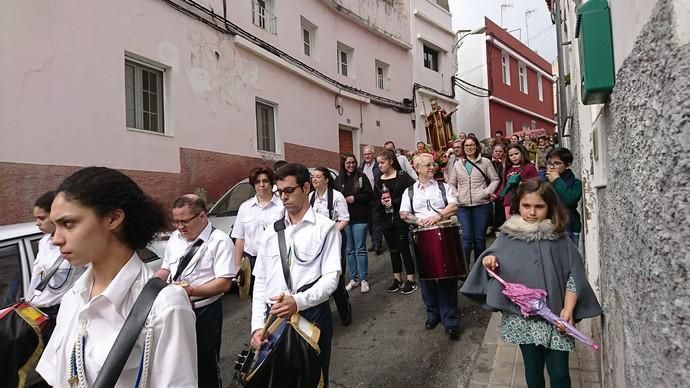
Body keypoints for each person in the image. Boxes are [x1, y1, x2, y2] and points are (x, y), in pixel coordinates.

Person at [36, 167, 197, 387]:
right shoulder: (73, 297)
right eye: (55, 226)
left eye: (68, 224)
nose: (56, 239)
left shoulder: (165, 305)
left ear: (113, 218)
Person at [461, 179, 602, 388]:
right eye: (527, 206)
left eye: (539, 206)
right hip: (523, 319)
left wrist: (568, 309)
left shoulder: (560, 238)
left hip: (557, 316)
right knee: (533, 370)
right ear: (518, 205)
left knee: (560, 373)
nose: (532, 212)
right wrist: (490, 262)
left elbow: (574, 275)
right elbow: (492, 262)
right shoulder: (508, 237)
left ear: (550, 207)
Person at [250, 163, 342, 384]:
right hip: (272, 317)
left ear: (306, 187)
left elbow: (331, 279)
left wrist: (298, 302)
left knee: (311, 379)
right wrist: (256, 326)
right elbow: (260, 280)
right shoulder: (272, 232)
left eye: (289, 191)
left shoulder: (325, 228)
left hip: (311, 315)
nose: (283, 197)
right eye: (279, 192)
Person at [155, 194, 234, 388]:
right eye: (176, 222)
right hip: (174, 310)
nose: (180, 227)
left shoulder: (220, 241)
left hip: (204, 311)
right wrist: (154, 282)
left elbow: (224, 283)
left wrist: (191, 290)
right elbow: (166, 268)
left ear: (202, 217)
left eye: (184, 221)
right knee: (176, 361)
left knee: (205, 362)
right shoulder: (175, 237)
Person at [400, 153, 461, 340]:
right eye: (427, 165)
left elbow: (454, 205)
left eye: (433, 164)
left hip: (443, 232)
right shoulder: (409, 191)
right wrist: (419, 220)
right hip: (420, 235)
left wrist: (437, 216)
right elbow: (403, 213)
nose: (432, 167)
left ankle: (450, 319)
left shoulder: (442, 187)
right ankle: (432, 314)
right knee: (426, 278)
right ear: (417, 168)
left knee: (447, 277)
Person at [27, 191, 87, 322]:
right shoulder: (43, 243)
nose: (37, 223)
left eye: (42, 218)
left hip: (60, 313)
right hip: (36, 311)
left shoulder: (78, 245)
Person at [447, 135, 500, 267]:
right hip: (463, 206)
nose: (469, 148)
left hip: (481, 205)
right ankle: (464, 270)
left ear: (476, 146)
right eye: (466, 146)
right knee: (466, 239)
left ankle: (478, 270)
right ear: (463, 148)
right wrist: (457, 194)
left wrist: (486, 192)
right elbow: (451, 183)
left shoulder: (485, 162)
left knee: (479, 240)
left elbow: (495, 179)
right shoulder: (458, 164)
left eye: (471, 145)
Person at [309, 166, 352, 326]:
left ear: (326, 179)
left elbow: (344, 219)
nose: (314, 179)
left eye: (318, 177)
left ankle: (345, 311)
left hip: (335, 239)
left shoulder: (337, 196)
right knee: (318, 276)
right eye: (313, 177)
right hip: (317, 243)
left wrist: (331, 233)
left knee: (336, 277)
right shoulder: (311, 197)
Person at [231, 167, 284, 285]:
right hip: (252, 262)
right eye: (257, 182)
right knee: (256, 299)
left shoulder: (282, 205)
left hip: (278, 260)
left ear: (271, 183)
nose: (261, 185)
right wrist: (238, 266)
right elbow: (240, 238)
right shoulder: (245, 207)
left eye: (265, 181)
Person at [376, 150, 417, 294]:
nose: (379, 165)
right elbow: (375, 199)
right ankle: (397, 278)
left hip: (401, 218)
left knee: (404, 249)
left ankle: (411, 279)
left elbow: (412, 192)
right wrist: (381, 202)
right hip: (386, 219)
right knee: (393, 250)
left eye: (382, 162)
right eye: (378, 163)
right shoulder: (378, 179)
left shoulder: (402, 176)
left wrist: (394, 201)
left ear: (391, 162)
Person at [335, 154, 373, 294]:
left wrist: (355, 198)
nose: (351, 165)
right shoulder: (338, 179)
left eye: (353, 162)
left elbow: (370, 195)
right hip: (344, 220)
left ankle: (363, 279)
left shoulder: (362, 176)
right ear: (343, 164)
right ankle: (354, 279)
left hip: (360, 218)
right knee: (349, 250)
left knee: (360, 249)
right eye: (348, 163)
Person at [545, 148, 583, 246]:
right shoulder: (542, 182)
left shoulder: (576, 184)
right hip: (547, 227)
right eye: (549, 163)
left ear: (567, 165)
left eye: (557, 163)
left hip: (570, 226)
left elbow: (570, 200)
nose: (552, 167)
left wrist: (557, 180)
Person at [499, 144, 539, 219]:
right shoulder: (508, 169)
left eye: (516, 154)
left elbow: (536, 184)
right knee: (511, 227)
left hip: (525, 202)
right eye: (511, 155)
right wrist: (496, 195)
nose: (514, 157)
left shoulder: (529, 167)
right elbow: (504, 185)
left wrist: (523, 184)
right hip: (509, 202)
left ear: (522, 153)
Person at [360, 145, 384, 254]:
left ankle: (377, 244)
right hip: (365, 198)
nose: (367, 156)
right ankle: (374, 242)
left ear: (373, 154)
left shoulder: (379, 166)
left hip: (376, 196)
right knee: (370, 222)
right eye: (365, 154)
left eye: (369, 154)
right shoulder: (361, 167)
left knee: (376, 220)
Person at [490, 143, 507, 233]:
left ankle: (499, 227)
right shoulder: (489, 161)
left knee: (500, 208)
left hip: (501, 188)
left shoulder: (505, 162)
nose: (498, 153)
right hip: (491, 188)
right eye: (496, 151)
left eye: (500, 151)